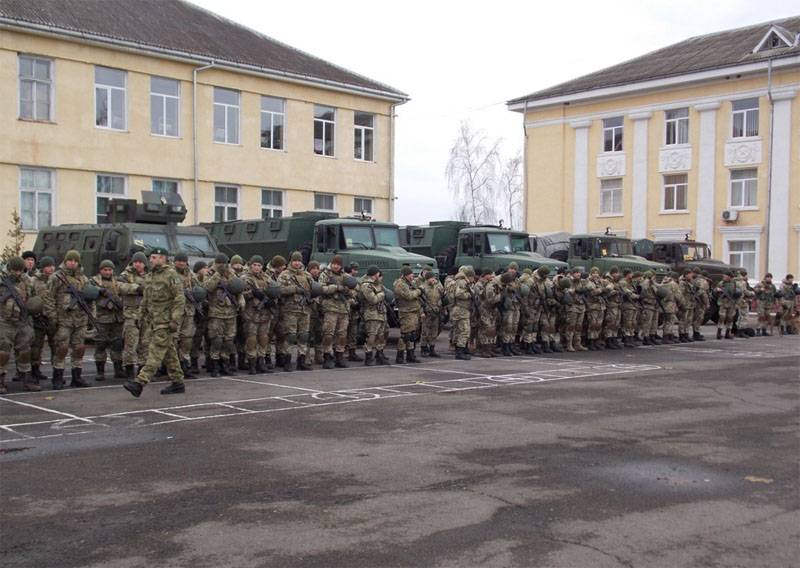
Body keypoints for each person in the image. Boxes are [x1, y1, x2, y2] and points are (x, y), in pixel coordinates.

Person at [123, 247, 186, 397]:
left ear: (163, 258)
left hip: (165, 322)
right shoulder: (150, 276)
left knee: (155, 352)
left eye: (154, 257)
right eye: (150, 258)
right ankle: (178, 383)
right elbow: (146, 299)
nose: (151, 260)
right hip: (154, 321)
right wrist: (140, 316)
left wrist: (175, 320)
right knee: (169, 353)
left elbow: (179, 299)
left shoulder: (171, 275)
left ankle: (139, 382)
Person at [45, 249, 91, 389]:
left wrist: (90, 316)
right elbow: (49, 298)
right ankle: (57, 378)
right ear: (65, 261)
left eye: (75, 261)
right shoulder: (56, 277)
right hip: (63, 320)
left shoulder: (83, 279)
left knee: (79, 348)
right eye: (70, 260)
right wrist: (53, 317)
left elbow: (90, 299)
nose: (72, 263)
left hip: (80, 320)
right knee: (62, 349)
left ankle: (77, 377)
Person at [0, 256, 39, 393]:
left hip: (22, 320)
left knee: (24, 351)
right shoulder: (2, 279)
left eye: (20, 270)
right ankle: (1, 380)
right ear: (10, 269)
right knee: (3, 352)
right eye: (15, 270)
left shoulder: (26, 280)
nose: (17, 273)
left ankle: (26, 379)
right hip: (5, 321)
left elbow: (33, 296)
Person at [203, 254, 245, 376]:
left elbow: (238, 288)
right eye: (220, 263)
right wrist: (217, 275)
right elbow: (207, 288)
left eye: (224, 263)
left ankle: (225, 363)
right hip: (216, 313)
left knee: (229, 340)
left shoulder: (231, 274)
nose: (222, 265)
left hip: (230, 312)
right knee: (217, 340)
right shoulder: (210, 273)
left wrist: (241, 300)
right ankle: (215, 364)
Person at [277, 251, 314, 371]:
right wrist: (294, 289)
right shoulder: (284, 275)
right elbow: (279, 290)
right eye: (295, 260)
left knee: (303, 336)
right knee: (290, 336)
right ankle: (287, 360)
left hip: (304, 310)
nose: (297, 263)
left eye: (299, 260)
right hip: (290, 310)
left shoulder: (307, 275)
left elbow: (314, 289)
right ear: (291, 261)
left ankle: (301, 360)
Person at [90, 259, 125, 380]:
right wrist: (100, 291)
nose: (108, 272)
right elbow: (88, 290)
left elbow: (125, 289)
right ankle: (100, 372)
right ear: (100, 270)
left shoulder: (118, 282)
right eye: (105, 270)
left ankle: (118, 369)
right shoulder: (94, 281)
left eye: (110, 270)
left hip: (117, 318)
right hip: (102, 318)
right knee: (101, 344)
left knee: (117, 344)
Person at [118, 252, 149, 379]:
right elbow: (120, 286)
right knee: (131, 343)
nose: (137, 264)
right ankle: (129, 369)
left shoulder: (150, 275)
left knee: (145, 343)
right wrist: (136, 288)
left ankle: (142, 369)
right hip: (131, 314)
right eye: (136, 262)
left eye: (140, 262)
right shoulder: (126, 274)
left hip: (146, 314)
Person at [241, 255, 273, 374]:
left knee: (263, 338)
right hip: (251, 314)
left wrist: (271, 300)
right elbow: (241, 293)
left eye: (259, 265)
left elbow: (273, 290)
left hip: (265, 314)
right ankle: (251, 363)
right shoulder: (245, 278)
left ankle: (261, 361)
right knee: (251, 339)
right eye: (254, 265)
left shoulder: (267, 278)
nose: (256, 267)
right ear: (250, 265)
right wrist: (253, 293)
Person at [319, 255, 350, 369]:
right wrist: (336, 287)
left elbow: (353, 290)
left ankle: (339, 356)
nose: (336, 266)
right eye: (334, 264)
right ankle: (327, 356)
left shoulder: (345, 276)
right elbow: (322, 289)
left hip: (343, 309)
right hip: (330, 308)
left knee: (342, 334)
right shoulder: (325, 275)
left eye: (338, 264)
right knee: (328, 333)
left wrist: (347, 290)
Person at [30, 256, 56, 382]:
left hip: (53, 317)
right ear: (42, 268)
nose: (50, 268)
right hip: (38, 318)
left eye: (52, 266)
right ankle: (34, 371)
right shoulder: (33, 281)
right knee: (36, 346)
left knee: (56, 345)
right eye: (47, 266)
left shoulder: (57, 279)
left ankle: (57, 372)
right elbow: (28, 298)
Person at [173, 253, 199, 378]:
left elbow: (199, 287)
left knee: (187, 339)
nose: (181, 263)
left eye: (183, 261)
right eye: (179, 261)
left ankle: (184, 365)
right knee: (172, 340)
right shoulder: (170, 273)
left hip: (188, 311)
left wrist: (194, 292)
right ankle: (170, 367)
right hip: (174, 312)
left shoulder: (190, 274)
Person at [359, 266, 389, 366]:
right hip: (371, 314)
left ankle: (379, 355)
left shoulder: (377, 284)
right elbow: (372, 299)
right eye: (377, 274)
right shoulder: (366, 285)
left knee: (381, 335)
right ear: (374, 274)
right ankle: (368, 356)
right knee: (371, 335)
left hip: (380, 313)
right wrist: (381, 295)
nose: (378, 276)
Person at [393, 266, 423, 363]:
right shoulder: (400, 284)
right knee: (405, 335)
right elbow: (409, 296)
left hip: (414, 311)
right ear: (405, 275)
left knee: (412, 335)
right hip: (406, 312)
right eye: (410, 275)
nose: (412, 277)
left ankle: (411, 354)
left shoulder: (410, 283)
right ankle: (400, 356)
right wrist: (418, 291)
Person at [448, 266, 473, 360]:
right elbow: (459, 294)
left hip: (462, 309)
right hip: (461, 309)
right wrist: (469, 295)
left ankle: (461, 349)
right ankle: (460, 351)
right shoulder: (462, 282)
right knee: (464, 331)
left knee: (460, 330)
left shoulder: (459, 281)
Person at [190, 260, 209, 374]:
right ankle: (193, 363)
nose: (206, 270)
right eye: (204, 268)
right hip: (196, 314)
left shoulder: (207, 280)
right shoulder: (193, 281)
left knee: (208, 339)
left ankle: (209, 361)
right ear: (198, 270)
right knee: (195, 340)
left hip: (206, 314)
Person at [419, 270, 444, 357]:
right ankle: (423, 347)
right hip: (427, 311)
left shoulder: (437, 287)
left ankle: (432, 348)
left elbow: (442, 296)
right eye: (432, 278)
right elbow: (420, 302)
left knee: (434, 331)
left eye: (434, 278)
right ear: (427, 279)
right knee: (425, 331)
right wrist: (421, 312)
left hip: (436, 311)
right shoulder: (422, 288)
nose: (433, 280)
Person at [345, 262, 363, 362]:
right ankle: (339, 352)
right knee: (342, 332)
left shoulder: (356, 281)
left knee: (353, 332)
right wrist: (353, 303)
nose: (355, 271)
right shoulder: (346, 280)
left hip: (354, 312)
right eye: (353, 269)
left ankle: (352, 352)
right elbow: (346, 295)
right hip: (346, 310)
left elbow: (358, 294)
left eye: (356, 269)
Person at [715, 271, 739, 339]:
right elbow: (715, 291)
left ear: (729, 277)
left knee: (730, 318)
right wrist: (717, 290)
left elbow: (737, 293)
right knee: (722, 317)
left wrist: (736, 302)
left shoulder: (734, 283)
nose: (724, 277)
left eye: (725, 276)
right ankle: (719, 333)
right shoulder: (721, 283)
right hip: (723, 302)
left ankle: (727, 333)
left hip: (731, 303)